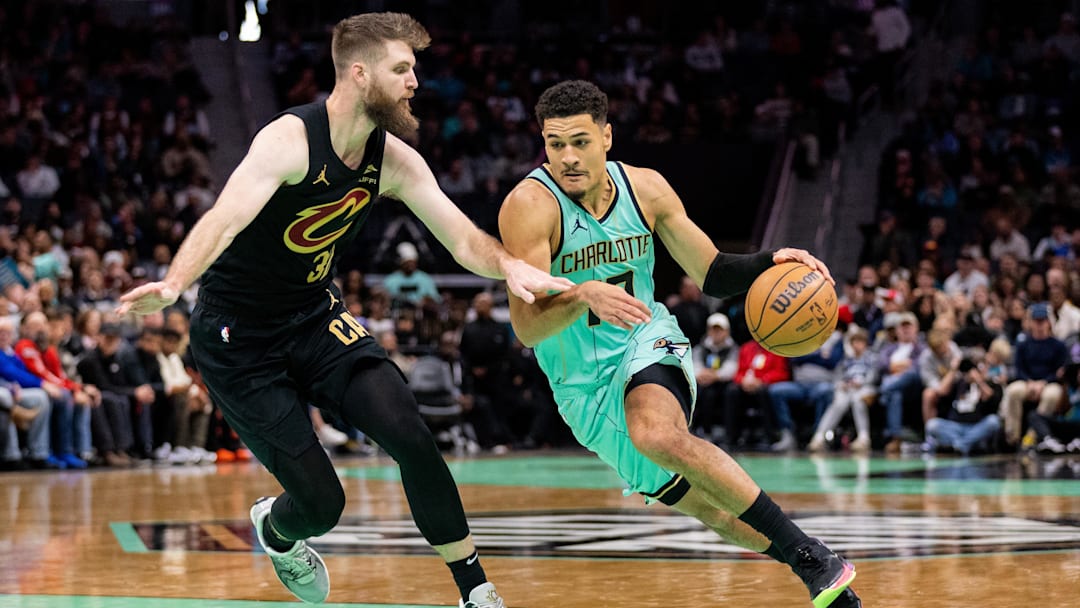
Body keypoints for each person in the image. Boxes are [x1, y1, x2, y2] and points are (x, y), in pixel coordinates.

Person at [116, 13, 571, 608]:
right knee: (321, 505)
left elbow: (463, 240)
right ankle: (277, 531)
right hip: (239, 337)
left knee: (409, 432)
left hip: (314, 316)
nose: (414, 81)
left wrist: (509, 264)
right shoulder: (288, 139)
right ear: (359, 74)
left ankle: (475, 590)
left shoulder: (394, 160)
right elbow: (223, 218)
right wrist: (176, 282)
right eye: (402, 68)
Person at [498, 80, 859, 608]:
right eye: (555, 145)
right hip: (581, 387)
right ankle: (814, 559)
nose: (568, 158)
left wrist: (771, 260)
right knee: (712, 511)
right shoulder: (529, 206)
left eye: (580, 141)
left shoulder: (646, 188)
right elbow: (527, 329)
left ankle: (809, 558)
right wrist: (581, 297)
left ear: (607, 136)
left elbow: (710, 272)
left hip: (647, 338)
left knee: (656, 433)